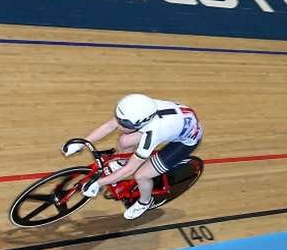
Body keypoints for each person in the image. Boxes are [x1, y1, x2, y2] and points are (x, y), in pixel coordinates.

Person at [63, 93, 202, 219]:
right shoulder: (137, 108)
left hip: (184, 142)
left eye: (125, 124)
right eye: (121, 120)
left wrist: (98, 183)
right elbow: (109, 126)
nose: (120, 126)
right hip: (176, 121)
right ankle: (121, 162)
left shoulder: (153, 133)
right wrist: (80, 144)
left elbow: (130, 170)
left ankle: (145, 202)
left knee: (141, 175)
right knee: (124, 140)